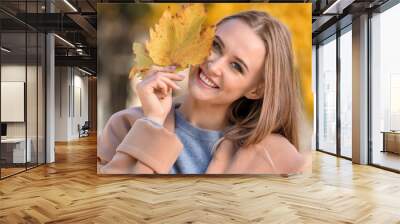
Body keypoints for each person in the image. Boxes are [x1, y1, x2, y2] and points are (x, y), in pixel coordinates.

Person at [97, 10, 310, 174]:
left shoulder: (276, 156)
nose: (214, 65)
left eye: (236, 66)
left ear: (256, 90)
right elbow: (112, 206)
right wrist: (152, 122)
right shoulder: (124, 125)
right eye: (215, 45)